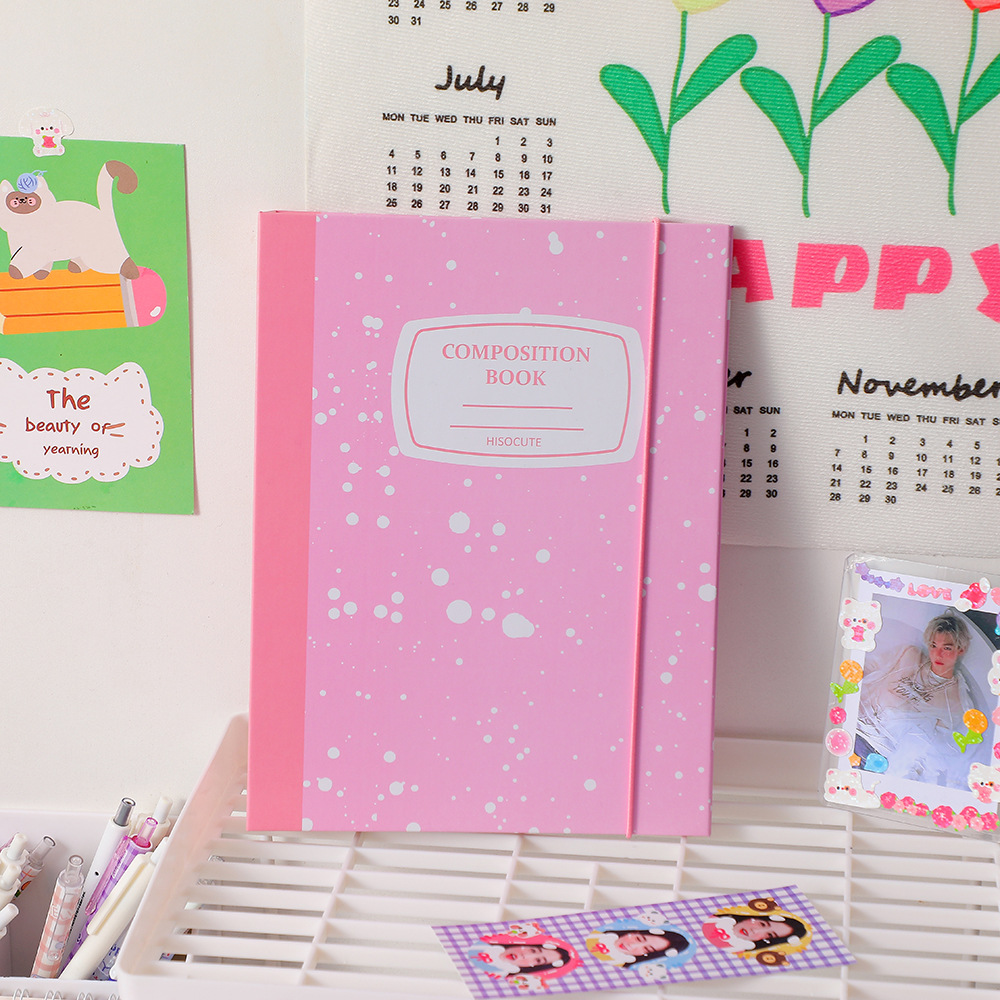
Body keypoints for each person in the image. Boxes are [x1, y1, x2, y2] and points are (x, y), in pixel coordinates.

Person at [854, 611, 985, 787]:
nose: (938, 654)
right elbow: (865, 668)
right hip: (854, 725)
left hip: (878, 758)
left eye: (947, 648)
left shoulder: (956, 701)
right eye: (933, 645)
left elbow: (932, 750)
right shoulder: (909, 656)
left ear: (960, 649)